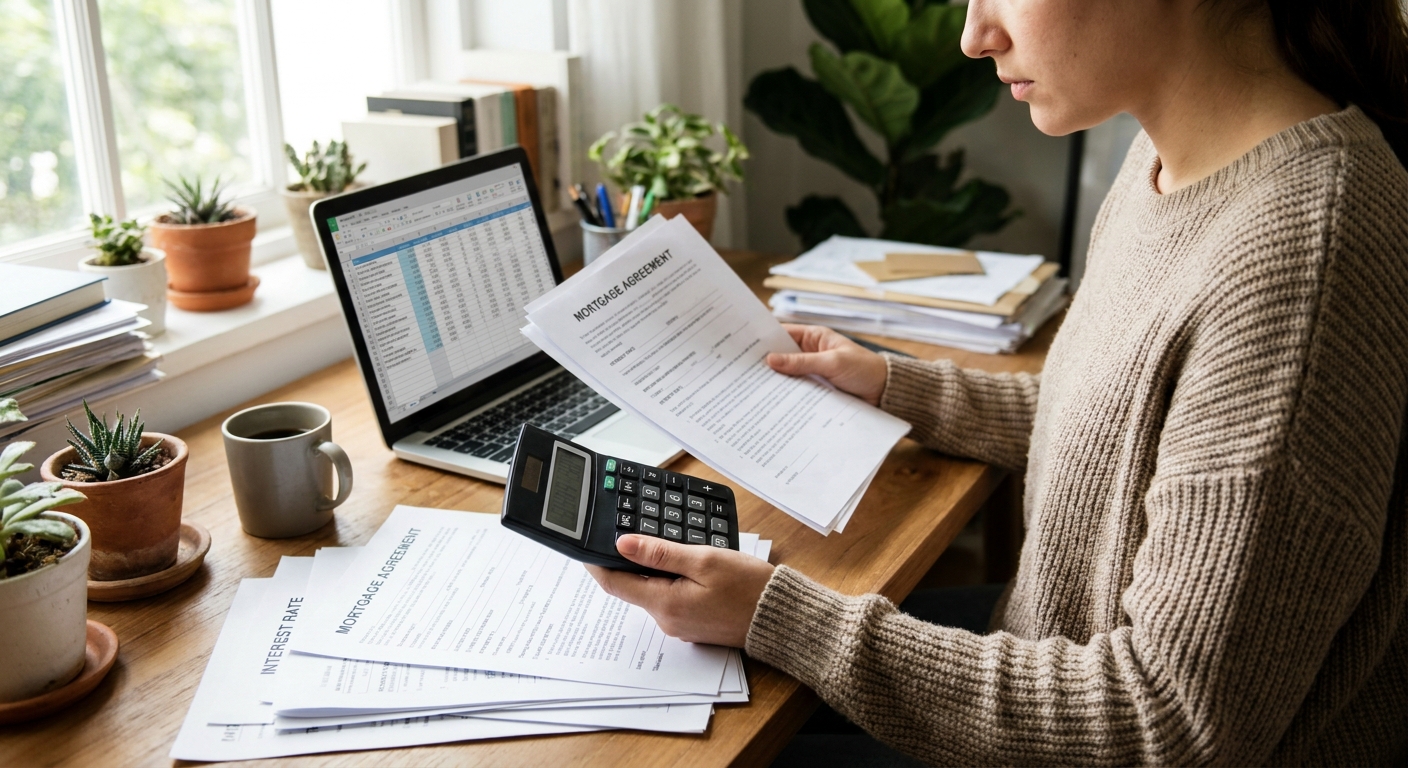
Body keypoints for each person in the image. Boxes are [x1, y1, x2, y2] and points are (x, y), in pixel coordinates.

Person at [588, 0, 1408, 763]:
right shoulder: (1171, 154)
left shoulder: (1300, 255)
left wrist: (783, 617)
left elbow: (1171, 719)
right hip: (1045, 655)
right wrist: (894, 386)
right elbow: (1123, 421)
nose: (974, 34)